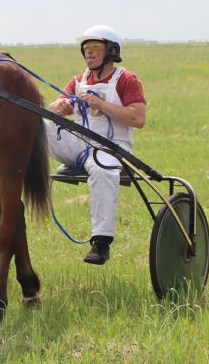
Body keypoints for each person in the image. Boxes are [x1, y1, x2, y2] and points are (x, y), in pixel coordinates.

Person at [46, 25, 146, 265]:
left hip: (113, 148)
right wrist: (59, 106)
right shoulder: (78, 80)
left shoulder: (127, 79)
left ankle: (101, 243)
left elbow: (138, 118)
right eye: (86, 48)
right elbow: (54, 105)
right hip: (79, 147)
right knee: (38, 126)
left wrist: (101, 105)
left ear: (110, 51)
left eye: (95, 48)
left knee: (102, 167)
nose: (89, 53)